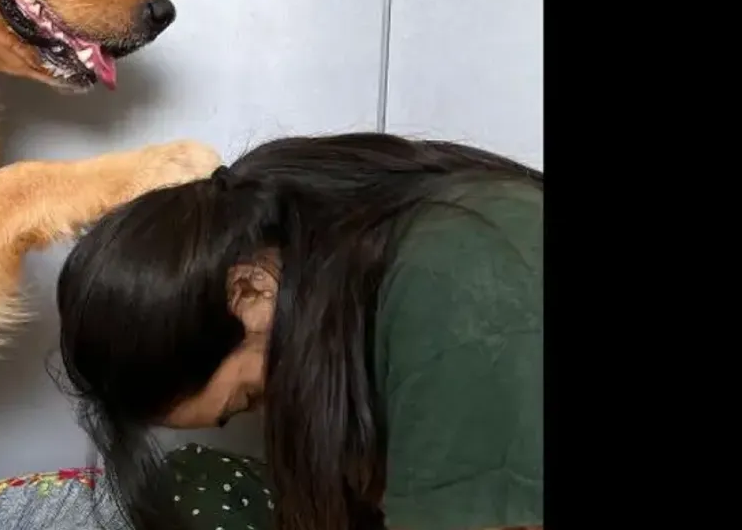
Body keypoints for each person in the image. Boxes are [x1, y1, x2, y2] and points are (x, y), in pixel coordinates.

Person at [55, 132, 542, 530]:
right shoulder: (375, 288)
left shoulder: (459, 288)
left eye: (248, 396)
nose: (274, 413)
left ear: (249, 290)